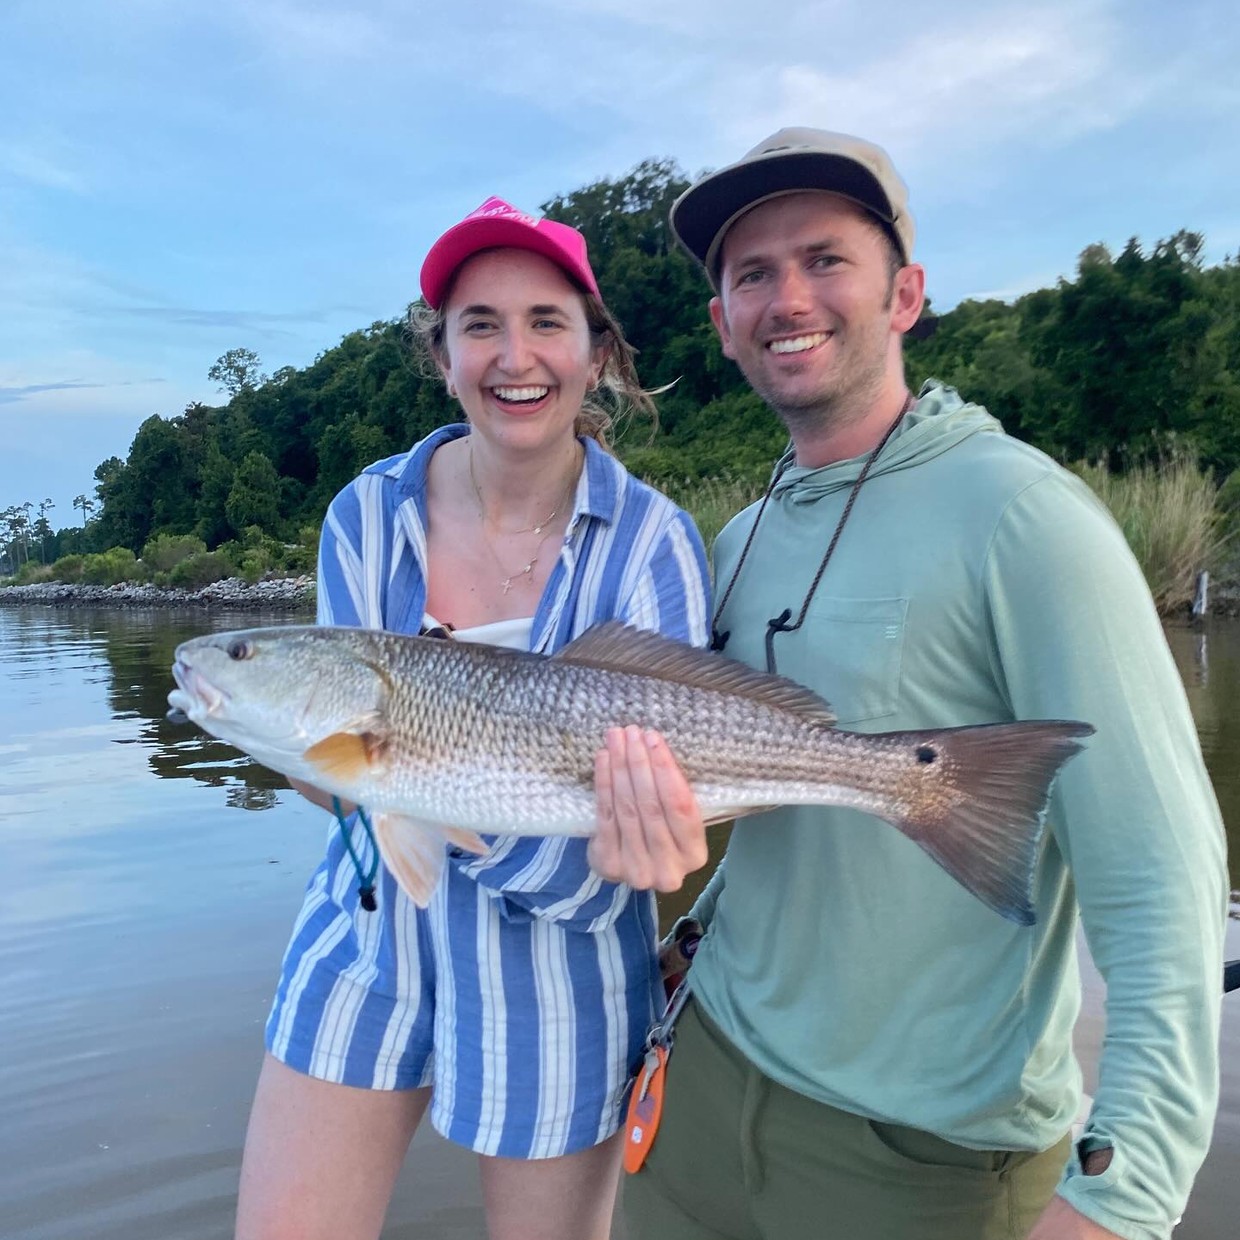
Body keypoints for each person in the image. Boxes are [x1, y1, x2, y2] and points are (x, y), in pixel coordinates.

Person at [589, 128, 1229, 1240]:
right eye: (752, 274)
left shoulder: (1024, 519)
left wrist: (1121, 1197)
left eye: (825, 258)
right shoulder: (732, 541)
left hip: (914, 1160)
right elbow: (768, 818)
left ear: (906, 293)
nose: (789, 295)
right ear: (722, 326)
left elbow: (1161, 882)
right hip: (700, 1094)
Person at [234, 196, 711, 1240]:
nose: (514, 354)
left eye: (546, 320)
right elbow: (341, 780)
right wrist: (302, 749)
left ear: (597, 354)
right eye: (479, 324)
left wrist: (655, 838)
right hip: (367, 934)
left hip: (565, 969)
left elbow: (647, 852)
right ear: (441, 354)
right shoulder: (366, 513)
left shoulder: (654, 545)